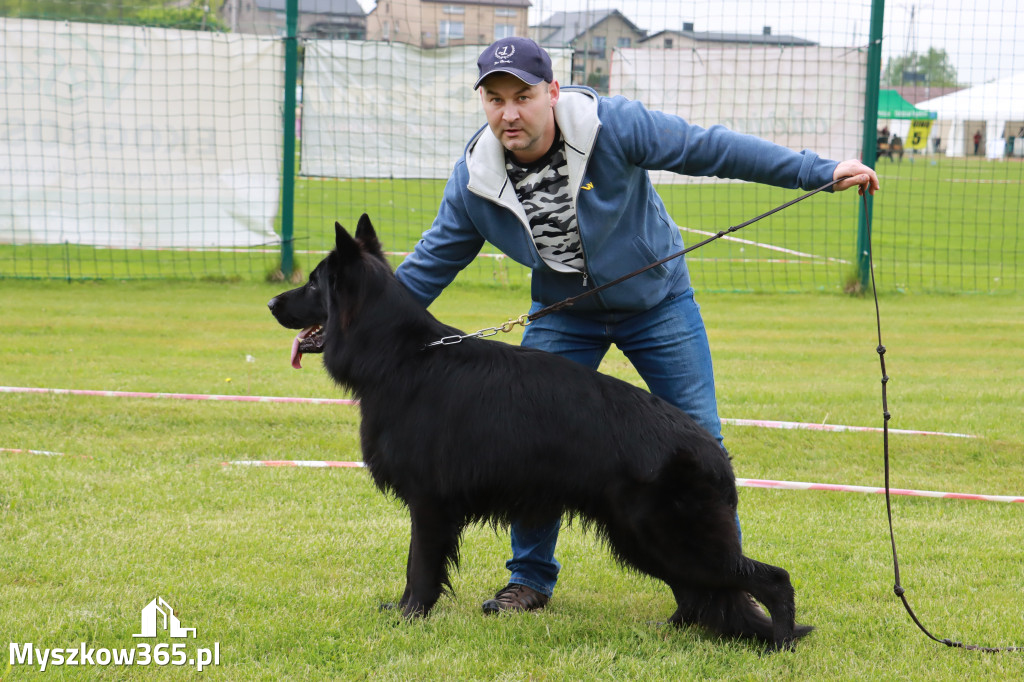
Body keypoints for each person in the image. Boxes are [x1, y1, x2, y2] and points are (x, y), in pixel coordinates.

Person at [394, 37, 879, 615]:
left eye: (522, 96)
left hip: (658, 303)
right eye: (495, 99)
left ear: (551, 92)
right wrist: (347, 325)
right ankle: (529, 579)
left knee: (699, 440)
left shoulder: (613, 125)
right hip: (564, 315)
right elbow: (427, 267)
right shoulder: (474, 178)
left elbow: (711, 150)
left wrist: (816, 171)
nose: (509, 113)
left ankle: (715, 588)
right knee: (529, 445)